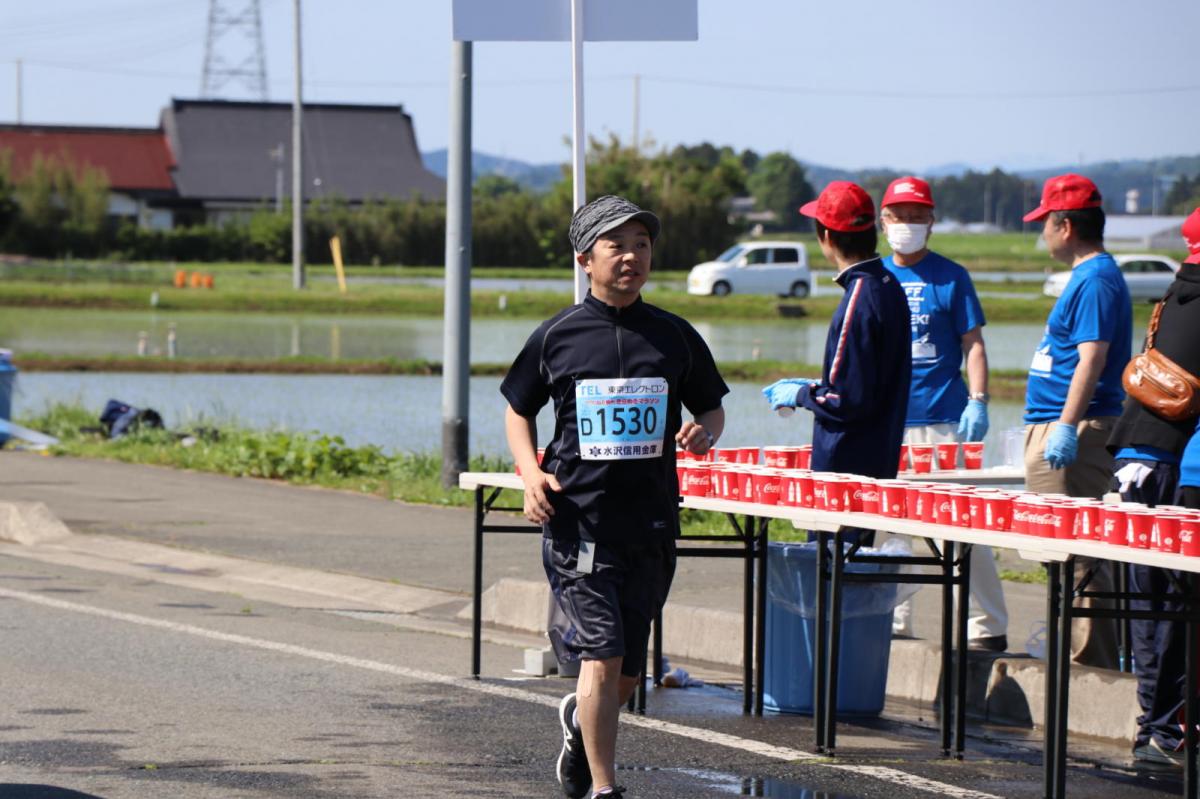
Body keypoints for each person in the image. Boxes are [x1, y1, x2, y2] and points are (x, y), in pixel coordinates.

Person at [501, 195, 729, 799]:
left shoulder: (675, 336)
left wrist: (704, 430)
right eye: (616, 246)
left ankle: (581, 721)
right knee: (600, 657)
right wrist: (531, 474)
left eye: (642, 245)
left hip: (651, 524)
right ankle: (605, 787)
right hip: (579, 523)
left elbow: (711, 405)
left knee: (627, 670)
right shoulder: (557, 335)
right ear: (585, 259)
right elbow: (517, 411)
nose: (632, 257)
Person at [878, 176, 1008, 652]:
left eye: (917, 216)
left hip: (943, 421)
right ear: (883, 221)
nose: (908, 225)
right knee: (893, 527)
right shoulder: (877, 277)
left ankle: (987, 625)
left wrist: (978, 400)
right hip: (891, 423)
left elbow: (973, 344)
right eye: (900, 216)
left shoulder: (951, 276)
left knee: (962, 522)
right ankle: (894, 620)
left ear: (931, 222)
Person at [1022, 173, 1132, 670]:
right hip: (1060, 426)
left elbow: (1091, 358)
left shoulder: (1096, 280)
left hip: (1076, 430)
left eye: (1045, 221)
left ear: (1065, 225)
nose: (1042, 231)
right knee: (1061, 551)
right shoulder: (1089, 277)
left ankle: (1091, 663)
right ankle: (1074, 652)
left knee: (1079, 553)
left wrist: (1066, 425)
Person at [763, 180, 911, 545]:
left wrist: (801, 394)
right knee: (857, 586)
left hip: (844, 472)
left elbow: (846, 401)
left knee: (832, 585)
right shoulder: (888, 284)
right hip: (876, 461)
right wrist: (819, 386)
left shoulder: (858, 297)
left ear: (826, 236)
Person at [1105, 206, 1200, 765]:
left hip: (1132, 453)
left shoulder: (1175, 292)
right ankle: (1164, 729)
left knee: (1148, 598)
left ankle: (1153, 726)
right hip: (1169, 463)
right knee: (1173, 600)